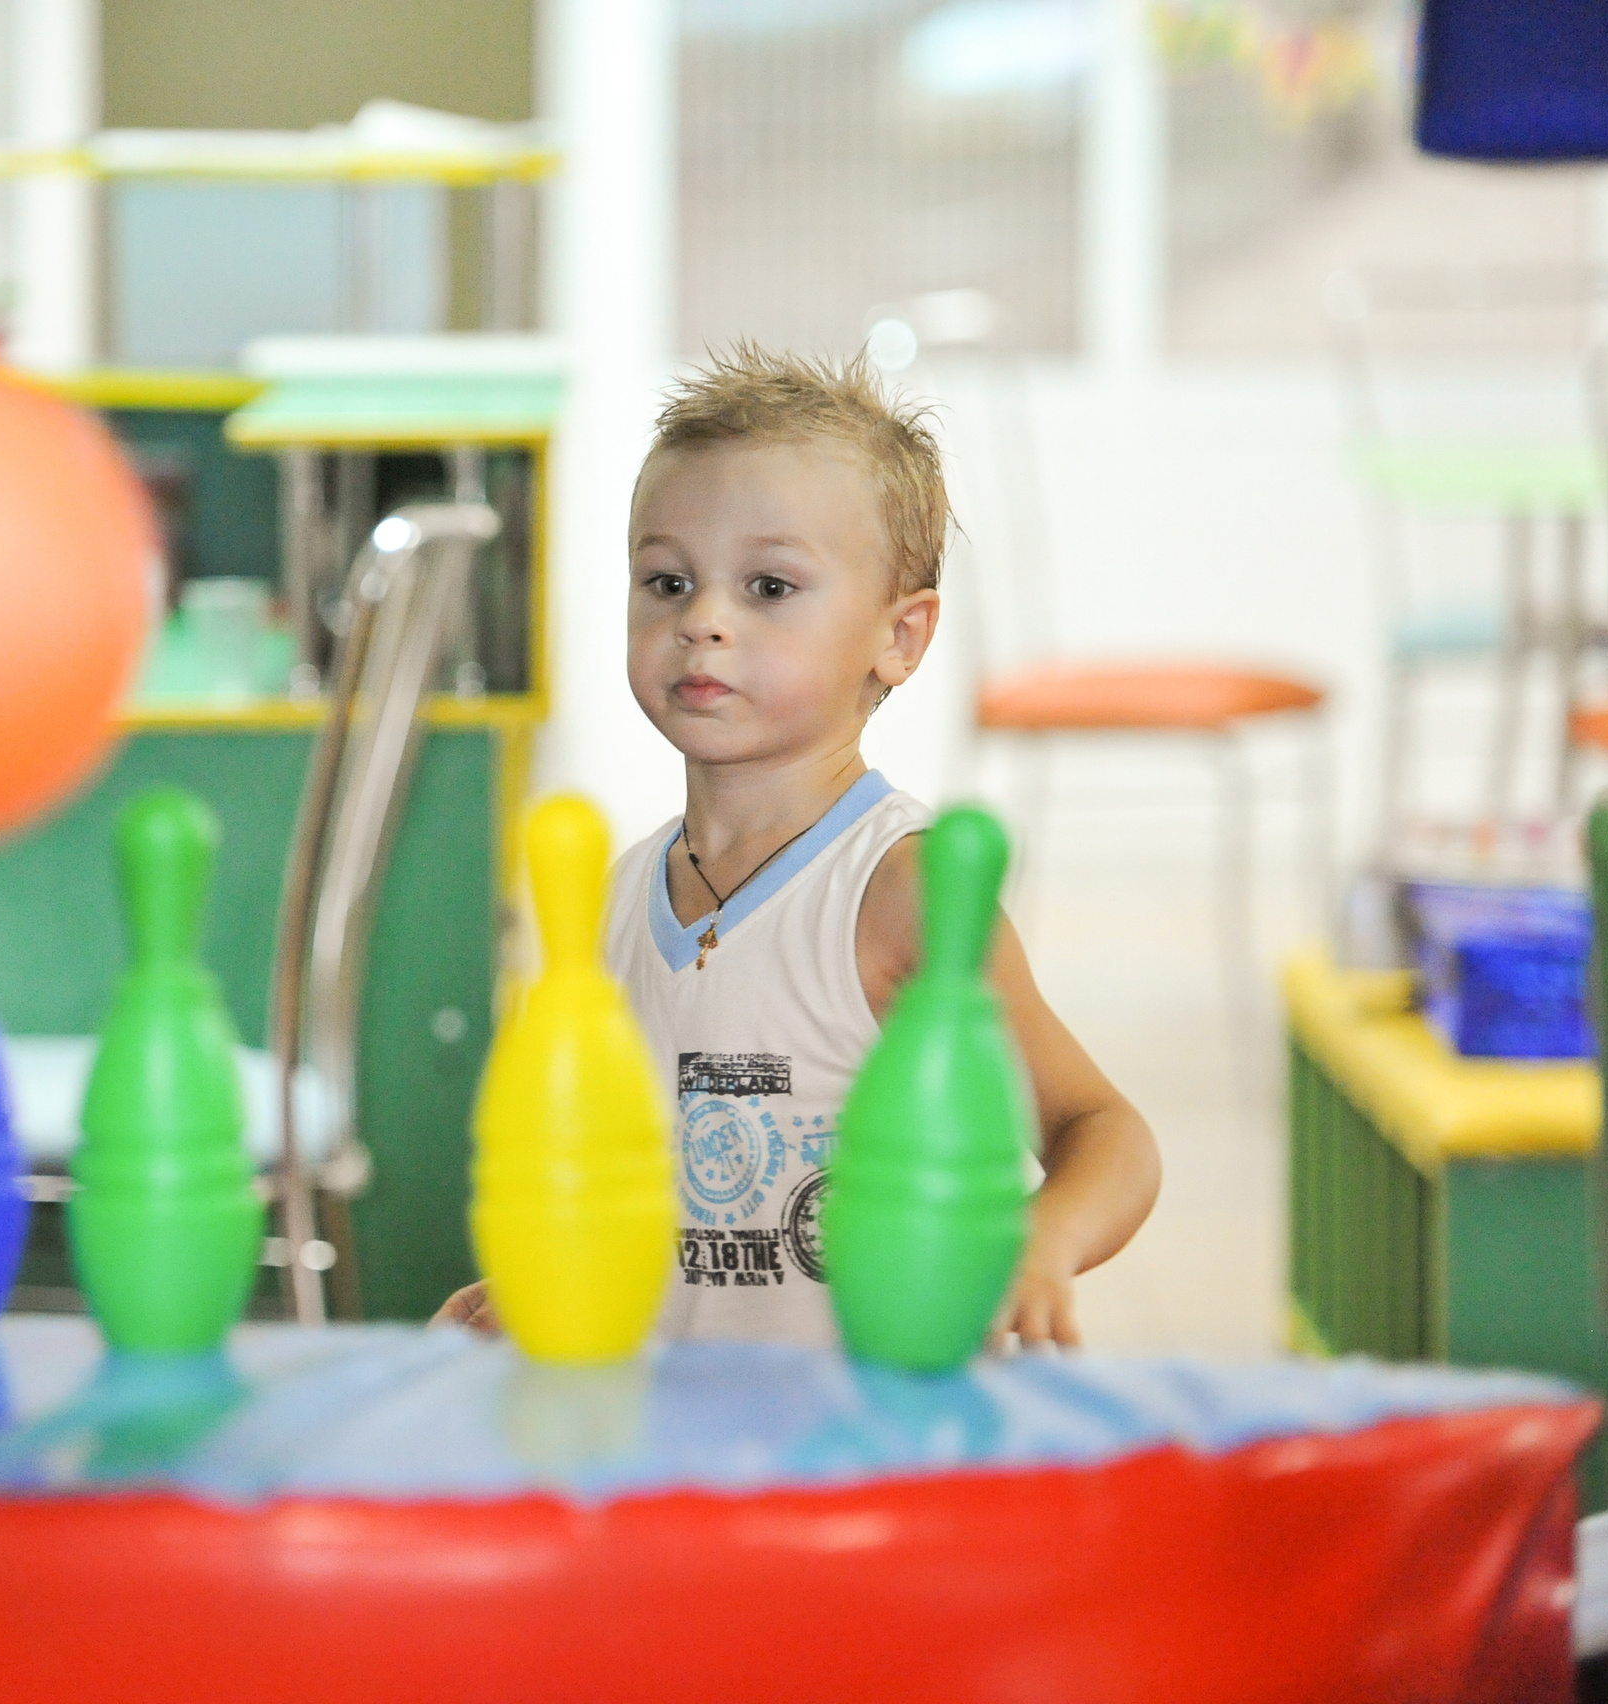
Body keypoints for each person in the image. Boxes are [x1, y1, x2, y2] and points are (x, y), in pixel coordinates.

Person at [436, 346, 1160, 1350]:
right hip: (681, 1430)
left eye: (769, 587)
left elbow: (1107, 1133)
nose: (703, 621)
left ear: (900, 638)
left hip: (877, 1437)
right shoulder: (618, 897)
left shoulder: (898, 892)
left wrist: (1041, 1244)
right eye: (667, 581)